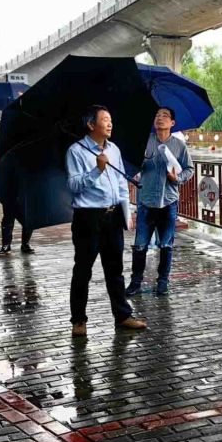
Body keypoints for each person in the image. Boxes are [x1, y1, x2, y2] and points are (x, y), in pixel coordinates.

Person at [66, 105, 147, 337]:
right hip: (88, 218)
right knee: (83, 270)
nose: (110, 124)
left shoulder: (114, 149)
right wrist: (96, 171)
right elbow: (73, 185)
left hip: (112, 217)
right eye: (104, 119)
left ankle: (122, 315)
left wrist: (126, 211)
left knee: (115, 270)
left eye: (111, 119)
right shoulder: (76, 151)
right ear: (91, 125)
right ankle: (78, 320)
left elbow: (121, 184)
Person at [126, 106, 194, 297]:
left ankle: (163, 281)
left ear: (172, 123)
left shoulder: (179, 146)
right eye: (157, 115)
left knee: (166, 244)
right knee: (140, 244)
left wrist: (177, 179)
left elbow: (189, 169)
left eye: (165, 116)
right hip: (146, 201)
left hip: (168, 201)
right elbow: (132, 168)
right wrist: (134, 173)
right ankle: (135, 282)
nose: (160, 118)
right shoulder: (144, 143)